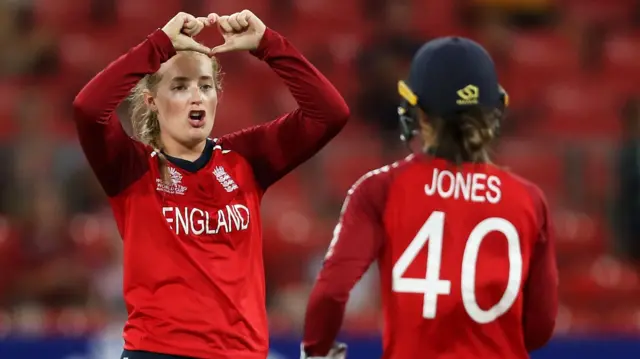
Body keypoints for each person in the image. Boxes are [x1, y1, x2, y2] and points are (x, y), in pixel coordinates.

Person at [72, 10, 349, 359]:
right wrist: (157, 45)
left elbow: (329, 114)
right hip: (158, 353)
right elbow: (88, 108)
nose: (196, 96)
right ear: (152, 102)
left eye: (205, 85)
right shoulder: (131, 167)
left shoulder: (244, 158)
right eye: (179, 86)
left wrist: (269, 44)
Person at [301, 37, 558, 359]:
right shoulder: (529, 200)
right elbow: (540, 326)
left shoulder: (380, 189)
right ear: (494, 110)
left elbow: (331, 293)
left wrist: (316, 350)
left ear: (417, 113)